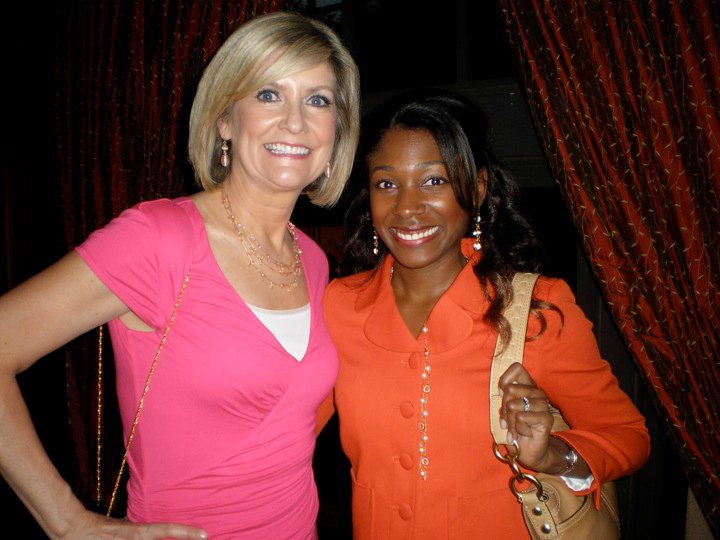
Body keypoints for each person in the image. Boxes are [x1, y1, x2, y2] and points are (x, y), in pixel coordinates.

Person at [0, 11, 359, 539]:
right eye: (268, 94)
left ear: (337, 130)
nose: (295, 121)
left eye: (318, 100)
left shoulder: (312, 258)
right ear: (224, 120)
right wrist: (66, 522)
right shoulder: (159, 239)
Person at [317, 89, 650, 538]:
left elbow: (627, 435)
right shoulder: (338, 306)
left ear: (477, 188)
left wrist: (552, 454)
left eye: (434, 181)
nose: (407, 207)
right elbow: (282, 431)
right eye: (387, 184)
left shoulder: (534, 310)